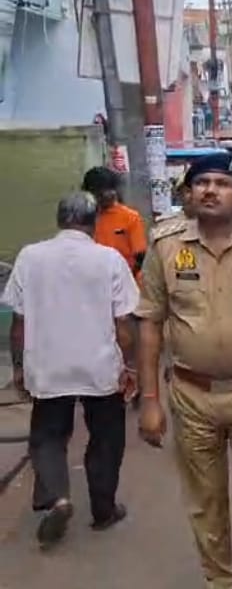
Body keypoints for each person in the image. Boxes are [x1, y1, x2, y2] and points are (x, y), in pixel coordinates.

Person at [135, 153, 232, 589]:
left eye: (222, 183)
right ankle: (220, 578)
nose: (210, 191)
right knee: (205, 501)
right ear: (188, 193)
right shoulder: (166, 247)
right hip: (191, 394)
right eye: (202, 183)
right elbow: (150, 323)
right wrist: (150, 400)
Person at [2, 192, 138, 549]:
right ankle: (104, 510)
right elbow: (123, 324)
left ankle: (58, 498)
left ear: (59, 220)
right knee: (106, 437)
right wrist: (130, 366)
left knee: (48, 435)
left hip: (48, 364)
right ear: (94, 222)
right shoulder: (109, 259)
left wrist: (19, 367)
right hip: (100, 367)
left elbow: (19, 323)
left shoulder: (30, 257)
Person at [82, 166, 148, 283]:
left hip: (126, 280)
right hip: (94, 281)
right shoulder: (85, 218)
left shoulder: (130, 217)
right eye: (101, 191)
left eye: (110, 189)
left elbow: (140, 257)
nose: (108, 194)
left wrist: (127, 279)